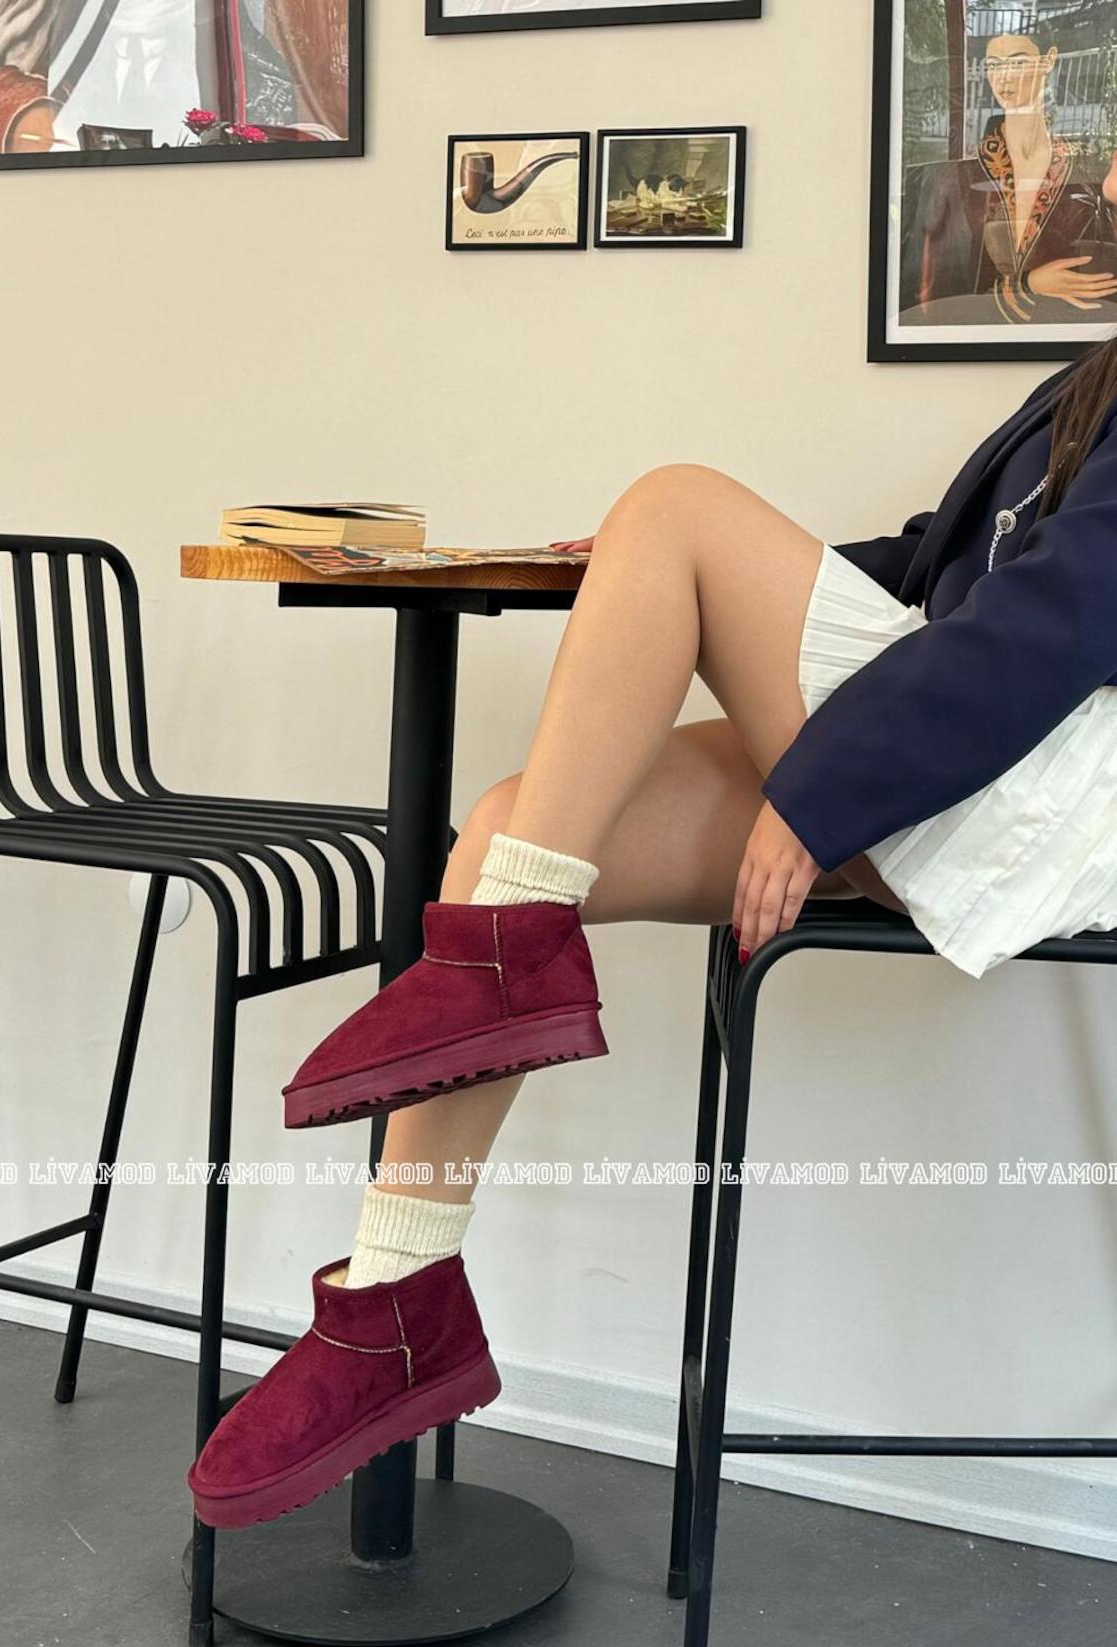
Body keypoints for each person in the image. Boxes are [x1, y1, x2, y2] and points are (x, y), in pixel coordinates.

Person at [188, 337, 1117, 1531]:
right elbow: (937, 567)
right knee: (511, 832)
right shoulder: (1089, 380)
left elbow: (1055, 626)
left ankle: (502, 975)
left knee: (675, 502)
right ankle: (395, 1296)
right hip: (964, 743)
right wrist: (641, 573)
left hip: (1030, 792)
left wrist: (824, 790)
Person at [899, 30, 1117, 324]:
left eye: (1017, 62)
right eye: (994, 65)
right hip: (974, 342)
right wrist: (1027, 287)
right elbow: (929, 299)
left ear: (1048, 60)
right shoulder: (954, 178)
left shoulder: (1086, 173)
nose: (1003, 78)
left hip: (1064, 339)